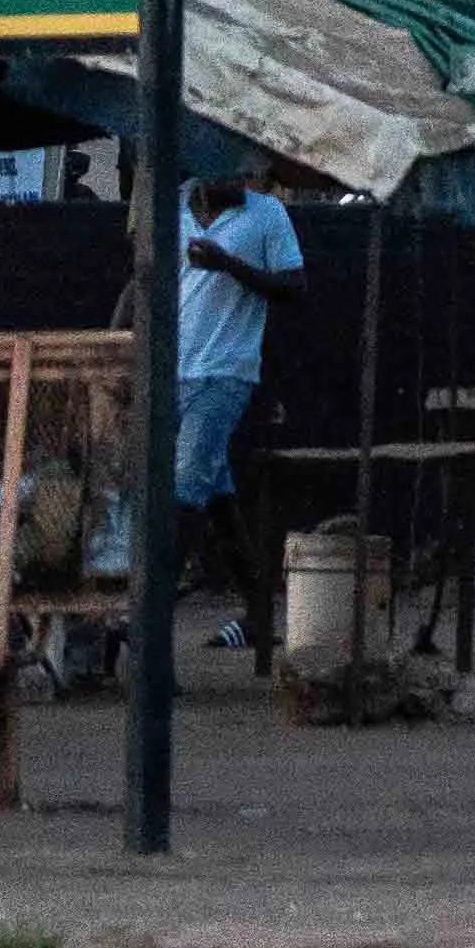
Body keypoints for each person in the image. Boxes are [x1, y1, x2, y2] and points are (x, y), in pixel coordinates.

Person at [174, 166, 303, 641]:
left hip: (225, 372)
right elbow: (141, 283)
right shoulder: (172, 205)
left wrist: (228, 264)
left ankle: (147, 622)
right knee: (217, 497)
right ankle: (260, 615)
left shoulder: (267, 215)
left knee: (184, 488)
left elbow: (294, 286)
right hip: (172, 372)